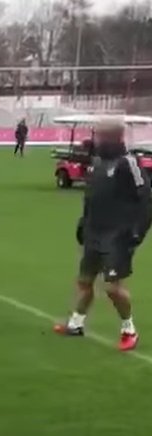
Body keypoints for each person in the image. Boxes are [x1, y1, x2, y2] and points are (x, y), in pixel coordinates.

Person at [54, 118, 150, 351]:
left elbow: (147, 199)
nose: (94, 139)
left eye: (97, 136)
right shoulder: (97, 162)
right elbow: (91, 196)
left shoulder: (128, 163)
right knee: (84, 281)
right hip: (94, 233)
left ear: (111, 138)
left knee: (112, 288)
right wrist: (83, 223)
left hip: (118, 236)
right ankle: (76, 324)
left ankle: (129, 330)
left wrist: (137, 232)